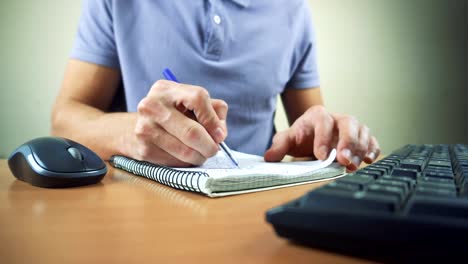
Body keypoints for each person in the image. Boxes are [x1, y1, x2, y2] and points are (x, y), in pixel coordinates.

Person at [51, 0, 380, 171]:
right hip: (143, 205)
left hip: (256, 210)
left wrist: (325, 132)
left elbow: (311, 136)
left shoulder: (294, 10)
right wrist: (133, 134)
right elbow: (64, 119)